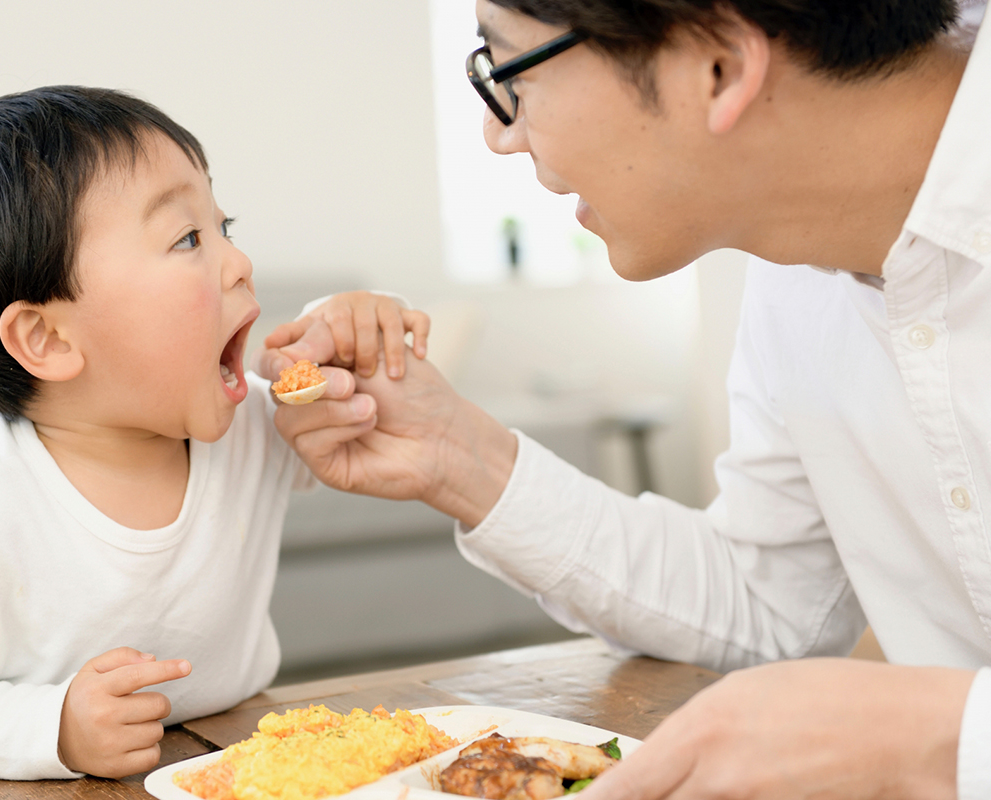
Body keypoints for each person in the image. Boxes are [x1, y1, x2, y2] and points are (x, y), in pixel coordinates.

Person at [256, 0, 991, 797]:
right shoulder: (796, 269)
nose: (498, 133)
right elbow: (773, 605)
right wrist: (458, 459)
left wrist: (940, 738)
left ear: (718, 66)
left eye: (507, 71)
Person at [0, 86, 429, 781]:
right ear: (49, 338)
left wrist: (358, 332)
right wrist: (53, 727)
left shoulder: (252, 427)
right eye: (187, 238)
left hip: (249, 763)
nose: (239, 262)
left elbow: (364, 419)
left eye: (224, 225)